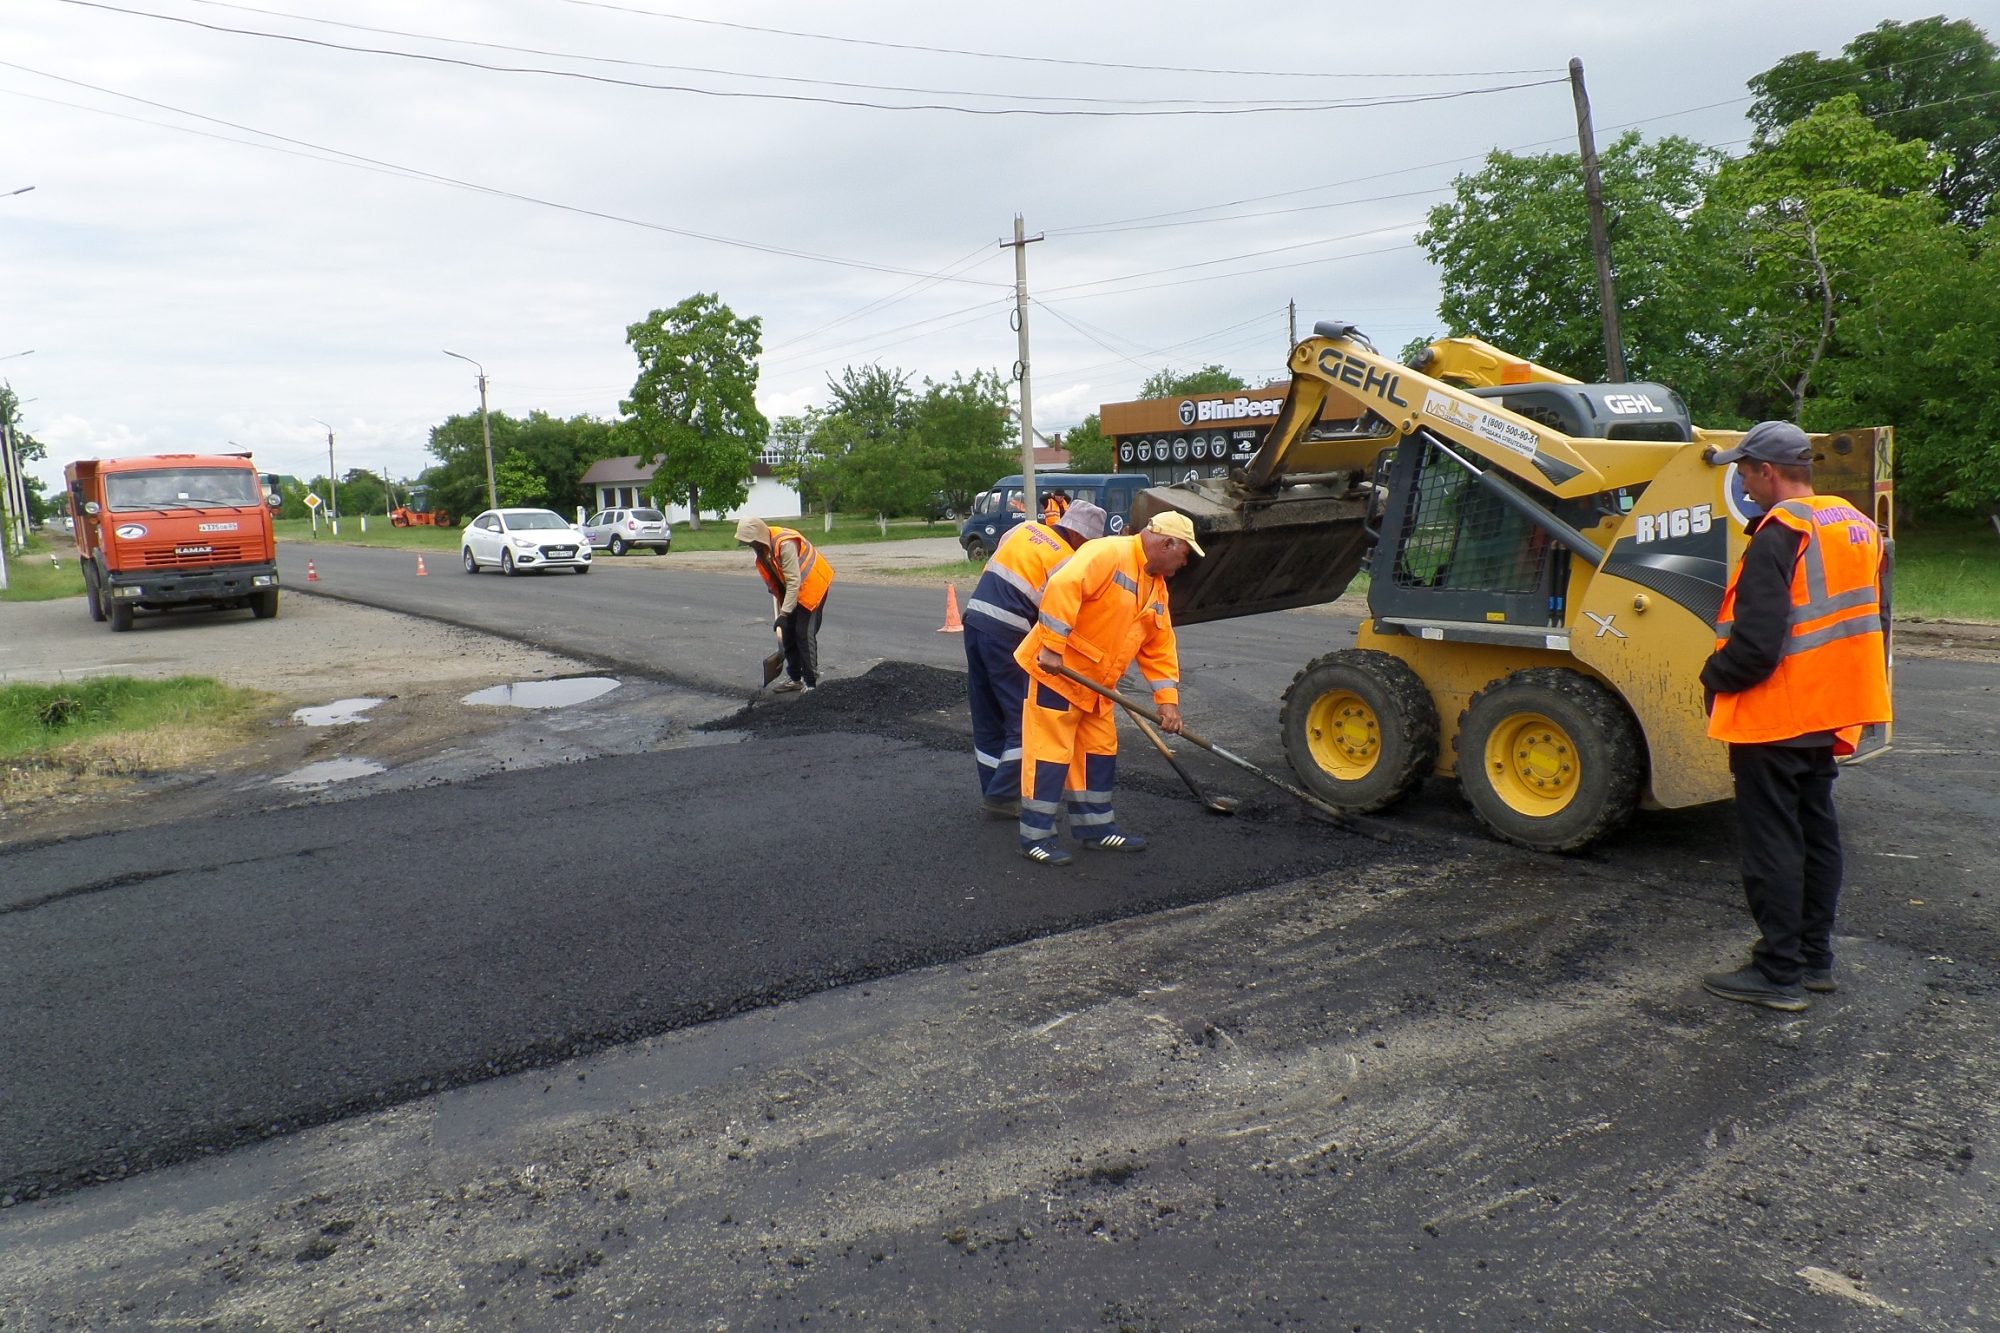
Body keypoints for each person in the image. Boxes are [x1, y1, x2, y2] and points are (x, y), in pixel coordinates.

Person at [1698, 420, 1892, 1012]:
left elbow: (1756, 643)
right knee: (1815, 831)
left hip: (1778, 711)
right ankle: (1814, 960)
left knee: (1772, 842)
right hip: (1833, 708)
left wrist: (1714, 677)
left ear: (1769, 471)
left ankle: (1777, 972)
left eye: (1744, 471)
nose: (1742, 482)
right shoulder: (1858, 525)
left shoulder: (1779, 532)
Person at [1012, 511, 1202, 865]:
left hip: (1097, 686)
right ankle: (1036, 837)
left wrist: (1168, 702)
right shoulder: (1109, 553)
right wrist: (1052, 647)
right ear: (1166, 543)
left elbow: (1159, 647)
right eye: (1185, 553)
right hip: (1059, 674)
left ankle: (1097, 829)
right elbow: (1063, 585)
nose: (1185, 561)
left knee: (1098, 754)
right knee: (1050, 756)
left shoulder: (1156, 587)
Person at [962, 500, 1108, 819]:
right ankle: (1001, 796)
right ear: (1081, 538)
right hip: (1007, 634)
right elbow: (1061, 615)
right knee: (1023, 721)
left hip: (974, 621)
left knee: (988, 716)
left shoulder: (1023, 529)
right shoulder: (1067, 563)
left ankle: (993, 790)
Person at [736, 516, 835, 694]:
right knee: (788, 632)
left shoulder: (785, 543)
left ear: (759, 537)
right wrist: (784, 613)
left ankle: (811, 683)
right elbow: (779, 582)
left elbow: (793, 581)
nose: (751, 547)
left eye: (752, 543)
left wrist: (784, 613)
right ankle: (795, 678)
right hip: (793, 589)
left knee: (803, 633)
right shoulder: (762, 552)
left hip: (812, 585)